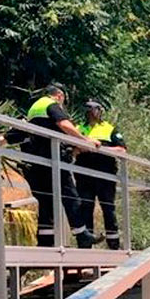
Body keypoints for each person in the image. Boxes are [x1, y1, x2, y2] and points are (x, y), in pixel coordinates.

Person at [18, 84, 96, 248]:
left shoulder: (34, 109)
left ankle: (46, 241)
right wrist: (85, 141)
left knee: (47, 201)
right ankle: (82, 235)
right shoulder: (50, 104)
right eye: (63, 100)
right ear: (59, 95)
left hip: (38, 161)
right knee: (70, 196)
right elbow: (64, 124)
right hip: (53, 159)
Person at [76, 101, 126, 249]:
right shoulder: (79, 129)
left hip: (105, 175)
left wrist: (100, 148)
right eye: (88, 109)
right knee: (85, 207)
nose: (91, 112)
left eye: (94, 109)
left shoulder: (109, 129)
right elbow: (72, 149)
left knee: (108, 208)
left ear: (100, 111)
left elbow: (122, 150)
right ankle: (86, 244)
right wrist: (80, 148)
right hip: (84, 175)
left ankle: (113, 244)